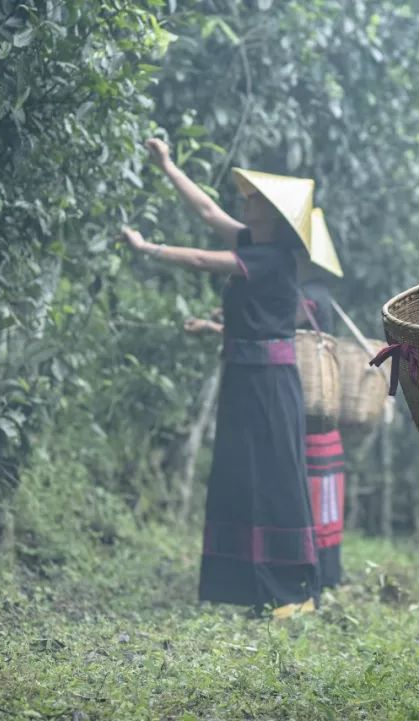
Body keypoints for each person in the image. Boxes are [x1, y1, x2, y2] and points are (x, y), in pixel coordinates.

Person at [122, 138, 320, 615]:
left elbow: (198, 259)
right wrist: (167, 166)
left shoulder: (271, 260)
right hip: (246, 378)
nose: (244, 201)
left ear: (271, 213)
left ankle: (292, 592)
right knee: (242, 475)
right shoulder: (255, 243)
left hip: (270, 385)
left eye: (254, 198)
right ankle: (253, 586)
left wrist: (148, 248)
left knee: (273, 478)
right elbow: (208, 212)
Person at [296, 208, 348, 591]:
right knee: (325, 499)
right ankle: (329, 575)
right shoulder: (320, 293)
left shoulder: (309, 297)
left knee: (313, 497)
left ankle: (316, 575)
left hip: (309, 414)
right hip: (325, 421)